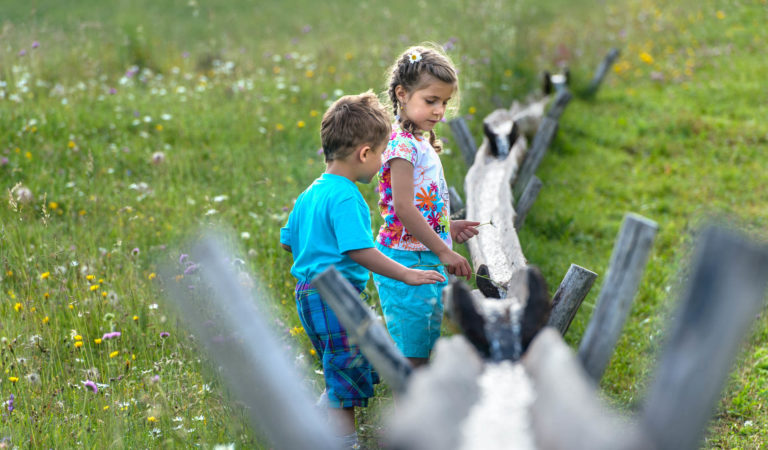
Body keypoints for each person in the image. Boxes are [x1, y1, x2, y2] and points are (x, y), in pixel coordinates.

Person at [280, 91, 444, 449]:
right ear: (364, 154)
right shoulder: (345, 195)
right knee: (344, 377)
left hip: (308, 295)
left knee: (347, 363)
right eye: (382, 153)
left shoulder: (311, 193)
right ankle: (343, 441)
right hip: (335, 298)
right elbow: (359, 251)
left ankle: (322, 418)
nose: (384, 160)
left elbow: (287, 241)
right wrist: (407, 273)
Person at [374, 45, 480, 368]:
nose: (439, 111)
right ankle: (412, 411)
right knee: (413, 351)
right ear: (402, 94)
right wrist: (445, 251)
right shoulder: (400, 144)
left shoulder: (420, 139)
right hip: (407, 258)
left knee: (424, 338)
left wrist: (447, 225)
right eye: (431, 100)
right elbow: (404, 208)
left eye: (444, 103)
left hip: (424, 252)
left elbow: (421, 204)